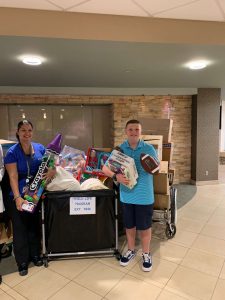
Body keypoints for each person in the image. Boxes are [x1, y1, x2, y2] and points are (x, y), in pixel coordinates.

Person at [102, 119, 158, 272]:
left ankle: (146, 254)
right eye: (130, 129)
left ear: (141, 132)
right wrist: (116, 177)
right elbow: (105, 168)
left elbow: (156, 169)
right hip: (126, 195)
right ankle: (131, 250)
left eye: (136, 130)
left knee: (145, 227)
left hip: (145, 196)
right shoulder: (120, 149)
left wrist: (150, 166)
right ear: (126, 131)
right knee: (130, 226)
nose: (133, 132)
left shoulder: (149, 148)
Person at [4, 120, 56, 276]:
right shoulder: (12, 152)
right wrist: (18, 198)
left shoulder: (40, 148)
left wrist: (52, 171)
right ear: (18, 132)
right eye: (23, 130)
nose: (26, 133)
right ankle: (22, 261)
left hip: (36, 194)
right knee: (20, 228)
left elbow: (51, 164)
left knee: (34, 225)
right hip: (18, 194)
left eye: (29, 130)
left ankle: (35, 255)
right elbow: (12, 176)